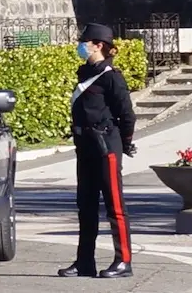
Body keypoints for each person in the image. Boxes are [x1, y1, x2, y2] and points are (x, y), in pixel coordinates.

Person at [57, 23, 136, 279]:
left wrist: (124, 142)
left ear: (98, 45)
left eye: (85, 42)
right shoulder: (84, 73)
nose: (81, 46)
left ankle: (123, 261)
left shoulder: (111, 76)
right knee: (86, 206)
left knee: (115, 206)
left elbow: (126, 114)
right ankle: (84, 262)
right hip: (86, 147)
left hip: (106, 148)